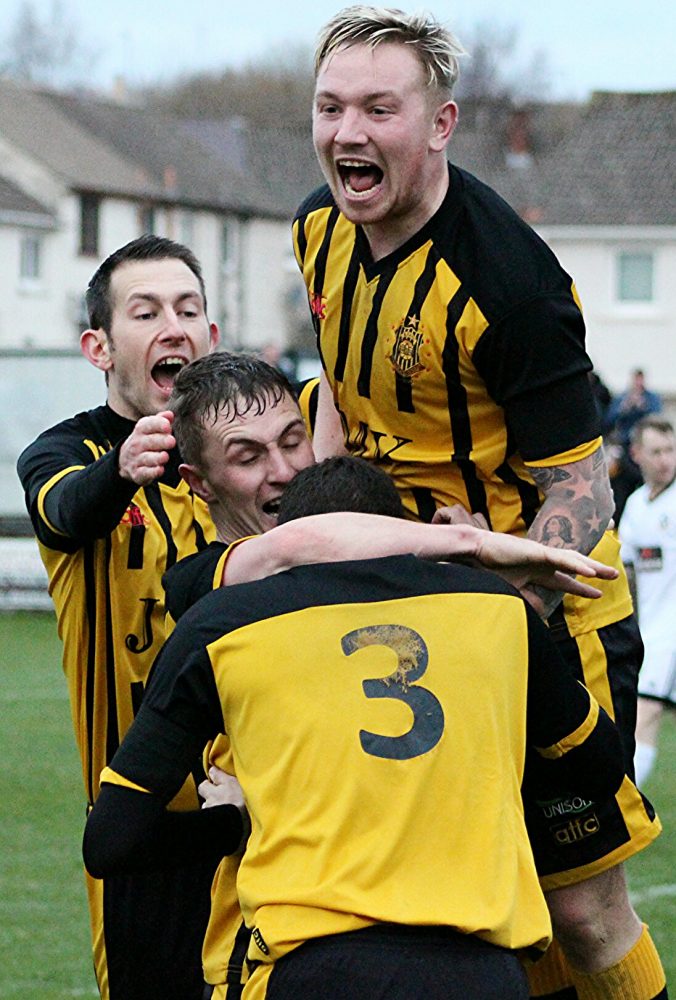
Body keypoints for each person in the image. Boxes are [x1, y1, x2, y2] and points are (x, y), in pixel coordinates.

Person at [292, 7, 666, 999]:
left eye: (380, 107)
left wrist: (504, 620)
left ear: (441, 123)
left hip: (547, 618)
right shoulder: (316, 232)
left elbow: (579, 490)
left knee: (581, 913)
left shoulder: (510, 282)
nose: (348, 132)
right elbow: (339, 389)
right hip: (401, 608)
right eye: (331, 107)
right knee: (469, 908)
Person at [159, 350, 620, 996]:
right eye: (248, 457)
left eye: (293, 440)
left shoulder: (425, 585)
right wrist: (467, 552)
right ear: (199, 482)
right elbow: (294, 550)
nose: (286, 470)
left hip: (433, 934)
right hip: (278, 943)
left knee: (595, 917)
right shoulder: (205, 596)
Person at [16, 235, 221, 1000]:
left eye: (188, 308)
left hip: (268, 812)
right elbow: (65, 512)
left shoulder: (246, 455)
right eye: (146, 312)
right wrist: (120, 468)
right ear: (99, 347)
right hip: (146, 831)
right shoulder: (66, 452)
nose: (173, 324)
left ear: (211, 337)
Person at [619, 417, 676, 786]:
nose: (665, 460)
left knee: (644, 714)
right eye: (656, 452)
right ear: (636, 454)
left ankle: (625, 810)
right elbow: (626, 573)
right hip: (653, 631)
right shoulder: (637, 506)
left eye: (670, 450)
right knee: (641, 716)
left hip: (667, 636)